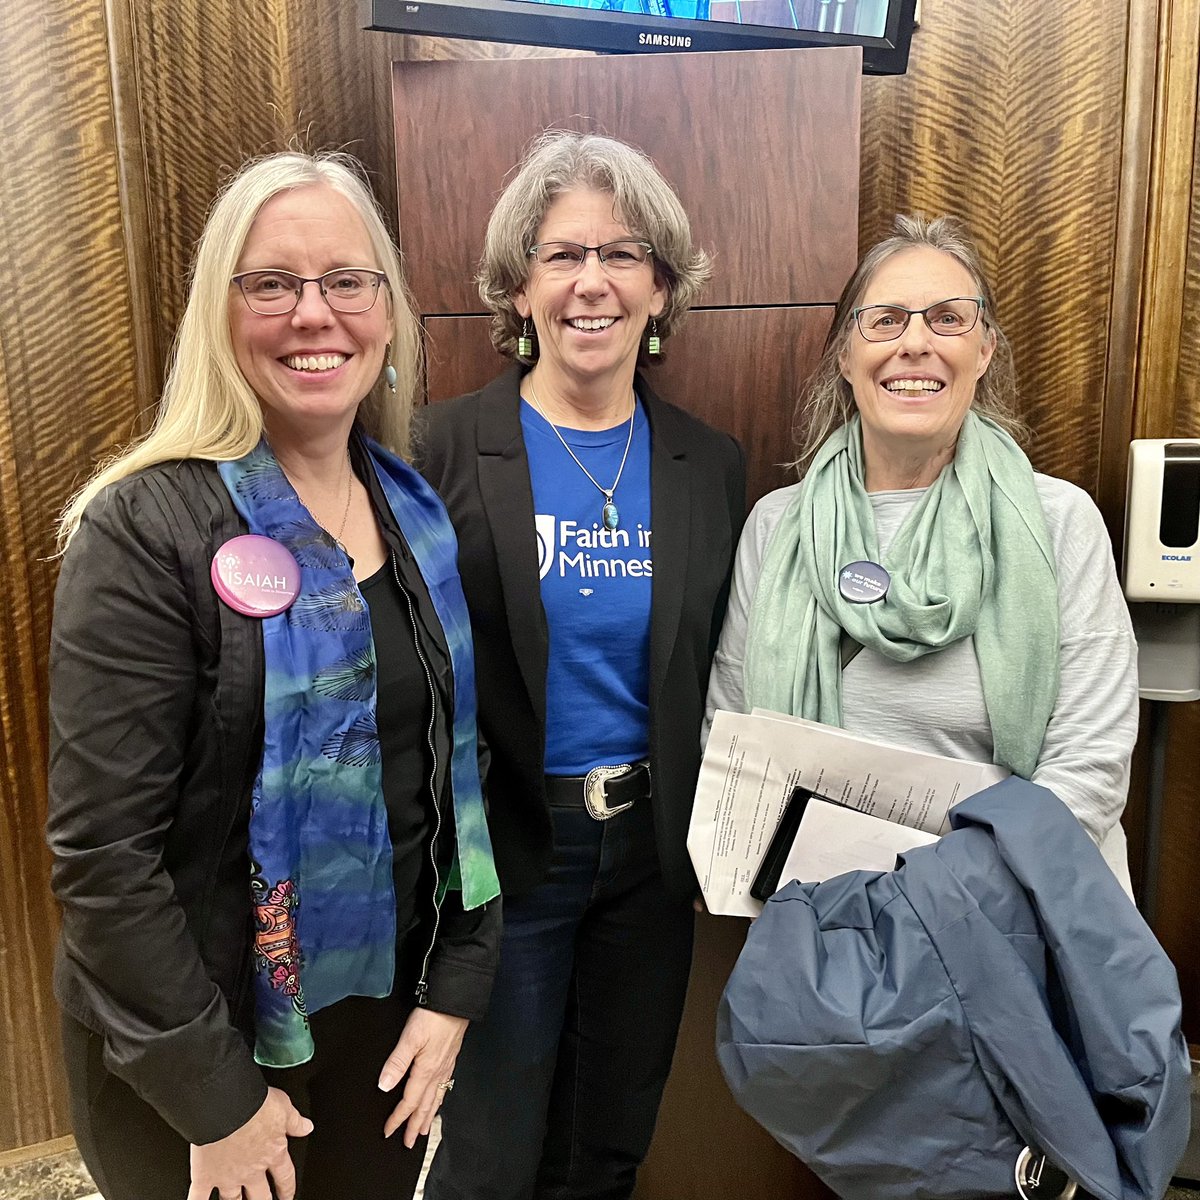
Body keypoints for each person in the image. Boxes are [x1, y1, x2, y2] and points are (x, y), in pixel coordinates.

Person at [46, 150, 500, 1200]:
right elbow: (106, 864)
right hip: (199, 1055)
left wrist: (454, 991)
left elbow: (447, 782)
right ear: (222, 312)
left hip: (383, 1025)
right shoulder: (143, 529)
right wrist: (216, 1101)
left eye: (347, 281)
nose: (315, 313)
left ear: (386, 316)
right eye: (272, 284)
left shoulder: (414, 514)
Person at [419, 131, 745, 1200]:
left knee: (608, 1143)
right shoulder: (441, 450)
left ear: (663, 287)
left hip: (650, 858)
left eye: (622, 254)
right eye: (560, 256)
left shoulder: (709, 464)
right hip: (508, 857)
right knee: (489, 1149)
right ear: (517, 289)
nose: (591, 282)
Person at [706, 213, 1137, 889]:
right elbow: (733, 742)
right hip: (826, 926)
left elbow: (1091, 768)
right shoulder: (776, 527)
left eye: (946, 318)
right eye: (885, 320)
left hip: (1006, 922)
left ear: (985, 349)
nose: (915, 343)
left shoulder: (1059, 524)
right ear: (846, 356)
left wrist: (933, 900)